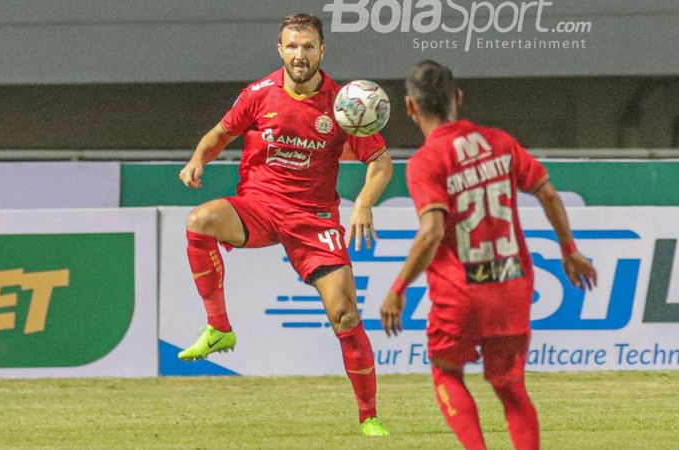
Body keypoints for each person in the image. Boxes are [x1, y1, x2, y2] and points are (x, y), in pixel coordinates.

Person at [177, 14, 392, 437]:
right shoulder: (258, 94)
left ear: (321, 51)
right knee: (199, 221)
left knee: (346, 316)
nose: (300, 54)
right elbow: (219, 134)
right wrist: (198, 158)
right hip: (259, 206)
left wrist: (363, 203)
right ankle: (219, 328)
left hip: (313, 219)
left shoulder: (343, 103)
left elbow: (380, 164)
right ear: (280, 50)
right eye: (292, 46)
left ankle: (369, 417)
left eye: (308, 46)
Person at [380, 60, 597, 450]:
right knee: (511, 389)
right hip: (512, 284)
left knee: (447, 374)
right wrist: (569, 251)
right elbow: (547, 192)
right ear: (457, 99)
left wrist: (398, 288)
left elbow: (431, 231)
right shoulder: (499, 142)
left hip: (461, 292)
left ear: (411, 108)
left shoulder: (426, 162)